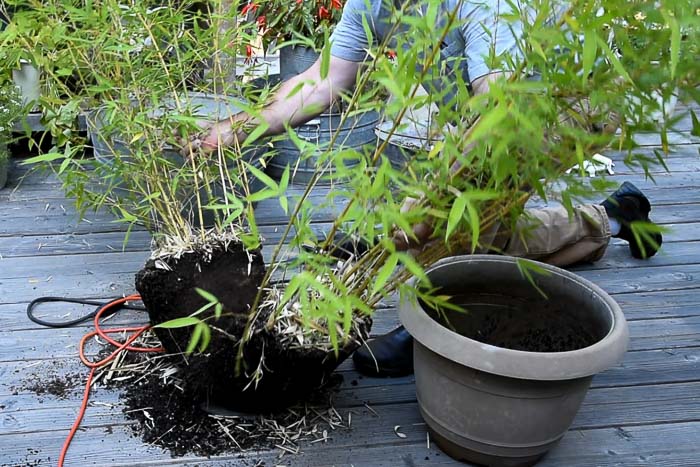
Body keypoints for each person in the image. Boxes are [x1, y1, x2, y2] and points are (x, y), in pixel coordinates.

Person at [189, 0, 663, 377]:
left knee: (446, 224)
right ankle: (611, 217)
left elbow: (498, 107)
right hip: (490, 111)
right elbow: (325, 79)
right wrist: (238, 127)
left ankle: (436, 325)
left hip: (560, 102)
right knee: (478, 228)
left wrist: (434, 194)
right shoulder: (369, 3)